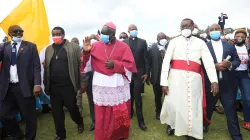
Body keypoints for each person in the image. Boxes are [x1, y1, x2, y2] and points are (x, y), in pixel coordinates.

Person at [160, 18, 219, 140]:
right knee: (174, 103)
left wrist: (214, 80)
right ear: (180, 28)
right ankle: (172, 124)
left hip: (194, 79)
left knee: (192, 105)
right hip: (175, 77)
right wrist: (164, 82)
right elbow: (166, 62)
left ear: (193, 27)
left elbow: (208, 62)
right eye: (183, 26)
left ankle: (190, 130)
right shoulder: (174, 41)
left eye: (188, 26)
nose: (185, 28)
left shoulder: (201, 42)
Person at [80, 22, 137, 140]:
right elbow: (86, 66)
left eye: (106, 33)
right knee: (102, 113)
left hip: (117, 83)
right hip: (101, 83)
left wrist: (115, 65)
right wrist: (86, 52)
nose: (104, 35)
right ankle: (102, 136)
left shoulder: (123, 47)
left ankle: (118, 135)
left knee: (118, 111)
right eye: (103, 33)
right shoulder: (95, 46)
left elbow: (130, 66)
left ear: (113, 34)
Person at [0, 25, 42, 140]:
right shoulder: (4, 47)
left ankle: (30, 138)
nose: (19, 33)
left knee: (30, 117)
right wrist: (2, 45)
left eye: (21, 31)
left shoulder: (30, 47)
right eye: (15, 31)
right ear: (9, 34)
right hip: (8, 88)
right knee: (4, 114)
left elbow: (36, 67)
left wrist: (37, 84)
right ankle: (17, 134)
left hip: (25, 87)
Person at [44, 27, 84, 140]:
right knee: (57, 113)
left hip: (68, 86)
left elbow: (81, 66)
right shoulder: (49, 49)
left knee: (72, 108)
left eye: (58, 34)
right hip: (54, 87)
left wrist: (82, 82)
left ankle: (79, 122)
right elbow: (46, 67)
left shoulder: (74, 47)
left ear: (63, 34)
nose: (56, 36)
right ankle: (61, 134)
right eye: (54, 34)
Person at [204, 24, 242, 140]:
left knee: (230, 109)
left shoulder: (229, 45)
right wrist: (213, 66)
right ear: (208, 32)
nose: (214, 31)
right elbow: (200, 63)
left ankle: (236, 135)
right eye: (212, 30)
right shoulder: (204, 46)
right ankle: (204, 125)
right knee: (208, 107)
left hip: (228, 83)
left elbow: (237, 61)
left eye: (216, 29)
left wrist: (230, 65)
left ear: (221, 31)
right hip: (210, 83)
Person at [123, 24, 149, 130]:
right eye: (132, 30)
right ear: (128, 31)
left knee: (137, 97)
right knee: (128, 96)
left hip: (139, 73)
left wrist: (147, 72)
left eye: (135, 29)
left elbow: (146, 59)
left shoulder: (142, 42)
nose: (134, 31)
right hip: (127, 74)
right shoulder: (124, 43)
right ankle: (129, 115)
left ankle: (141, 121)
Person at [80, 34, 98, 131]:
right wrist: (86, 52)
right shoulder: (84, 51)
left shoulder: (101, 48)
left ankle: (102, 121)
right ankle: (94, 122)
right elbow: (83, 65)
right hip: (89, 77)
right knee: (91, 101)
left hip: (101, 77)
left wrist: (96, 38)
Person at [148, 32, 168, 120]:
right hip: (156, 77)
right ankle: (158, 112)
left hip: (169, 76)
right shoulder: (152, 49)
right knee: (157, 96)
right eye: (160, 37)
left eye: (164, 37)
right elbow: (148, 63)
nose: (162, 39)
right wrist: (147, 75)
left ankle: (169, 112)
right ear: (157, 39)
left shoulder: (170, 47)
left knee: (169, 96)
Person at [233, 29, 250, 131]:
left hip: (244, 75)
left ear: (245, 38)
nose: (239, 38)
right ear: (234, 37)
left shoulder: (247, 48)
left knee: (247, 98)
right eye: (237, 36)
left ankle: (247, 121)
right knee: (231, 98)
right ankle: (231, 118)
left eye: (242, 36)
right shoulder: (230, 47)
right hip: (232, 74)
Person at [71, 37, 83, 114]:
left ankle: (79, 110)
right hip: (71, 76)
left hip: (79, 76)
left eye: (76, 42)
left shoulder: (81, 51)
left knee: (78, 94)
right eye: (72, 42)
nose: (74, 44)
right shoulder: (69, 51)